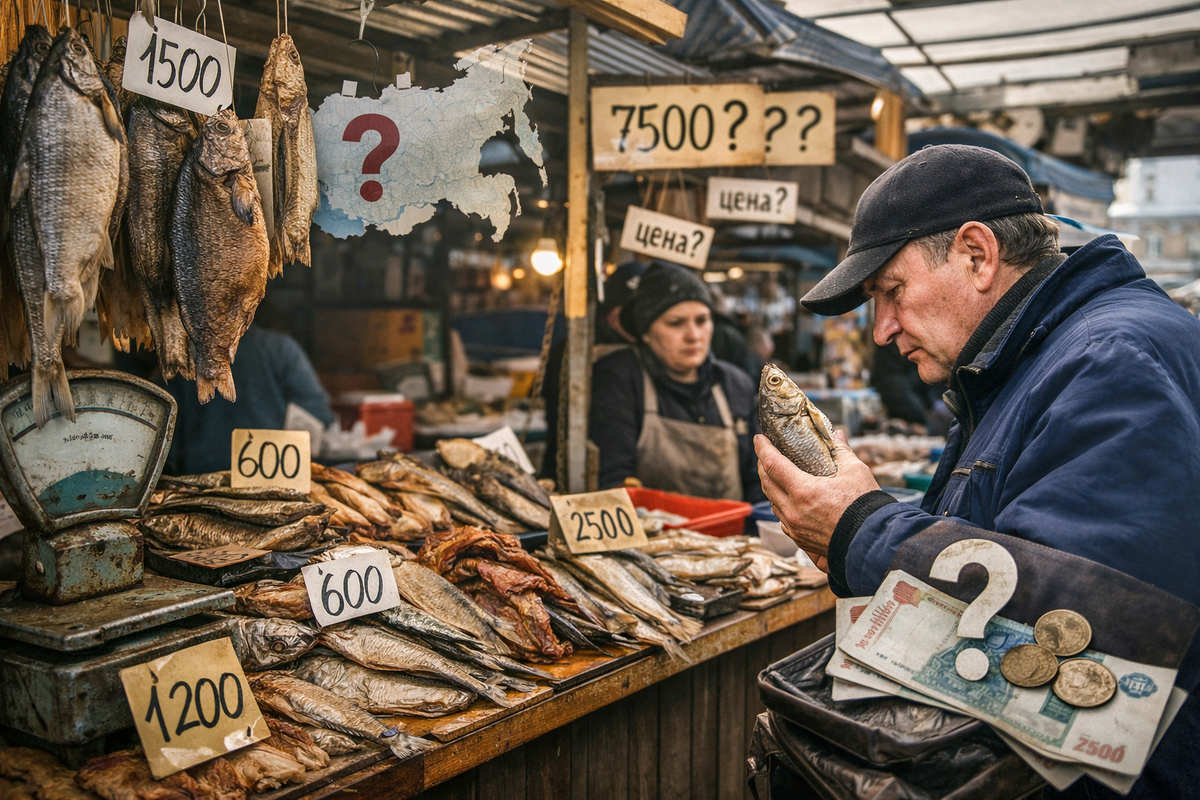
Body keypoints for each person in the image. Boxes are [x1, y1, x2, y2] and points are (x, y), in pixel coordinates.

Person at [755, 144, 1200, 798]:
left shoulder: (1108, 360)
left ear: (977, 254)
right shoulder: (1036, 360)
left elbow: (1083, 637)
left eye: (891, 292)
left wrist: (860, 527)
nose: (881, 330)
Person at [591, 262, 765, 502]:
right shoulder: (619, 378)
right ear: (646, 332)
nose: (693, 335)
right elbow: (612, 480)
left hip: (735, 535)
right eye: (676, 323)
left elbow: (757, 481)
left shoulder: (735, 384)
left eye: (702, 320)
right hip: (651, 534)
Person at [165, 323, 336, 475]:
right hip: (273, 483)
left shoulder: (181, 358)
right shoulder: (281, 350)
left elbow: (160, 431)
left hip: (197, 489)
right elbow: (319, 417)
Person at [540, 261, 645, 481]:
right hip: (574, 472)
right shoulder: (576, 350)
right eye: (630, 312)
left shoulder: (657, 354)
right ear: (610, 314)